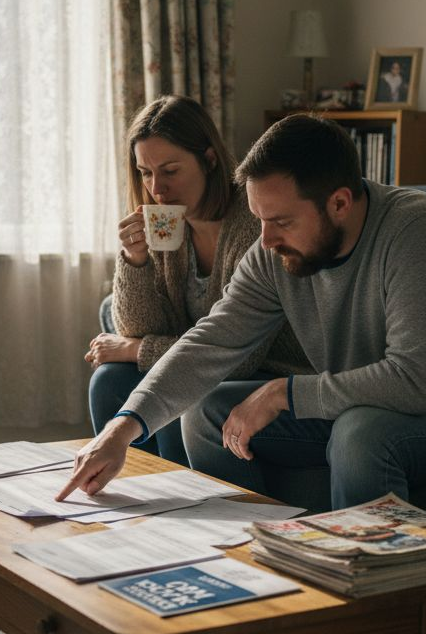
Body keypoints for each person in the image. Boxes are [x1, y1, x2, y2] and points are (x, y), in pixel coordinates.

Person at [60, 115, 426, 634]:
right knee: (209, 410)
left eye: (281, 221)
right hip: (365, 407)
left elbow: (413, 382)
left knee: (361, 431)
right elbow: (210, 343)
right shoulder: (274, 248)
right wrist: (122, 429)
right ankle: (250, 612)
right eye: (259, 219)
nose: (266, 238)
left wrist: (284, 393)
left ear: (339, 203)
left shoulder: (418, 230)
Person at [85, 95, 309, 465]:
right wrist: (135, 259)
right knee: (109, 380)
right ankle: (131, 494)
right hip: (199, 360)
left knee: (183, 396)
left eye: (170, 171)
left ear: (209, 160)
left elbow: (239, 356)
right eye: (145, 172)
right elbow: (137, 327)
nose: (157, 188)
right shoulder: (166, 222)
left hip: (262, 369)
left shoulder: (254, 222)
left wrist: (135, 350)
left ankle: (180, 496)